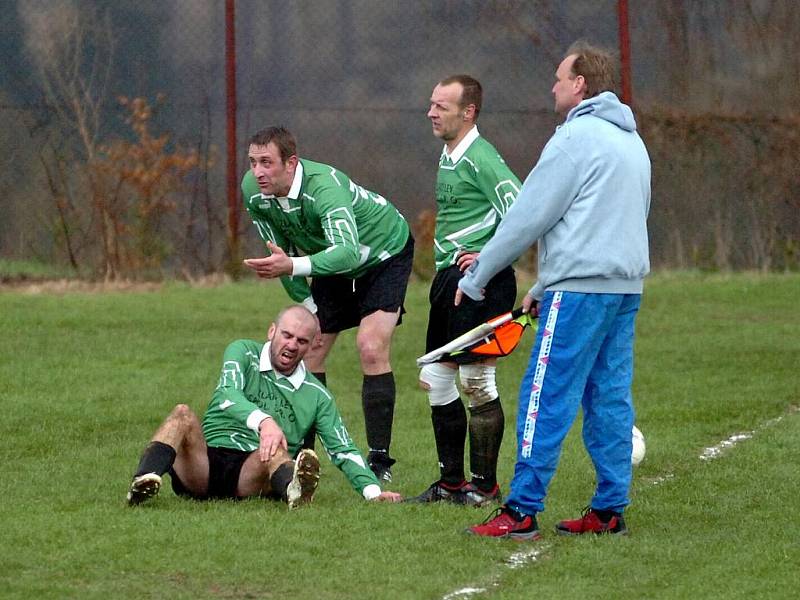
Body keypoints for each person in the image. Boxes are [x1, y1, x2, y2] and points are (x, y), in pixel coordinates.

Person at [457, 42, 651, 539]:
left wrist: (477, 279)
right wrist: (546, 281)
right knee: (609, 399)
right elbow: (602, 223)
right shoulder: (632, 141)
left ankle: (521, 510)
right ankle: (609, 510)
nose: (553, 86)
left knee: (545, 395)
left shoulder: (575, 138)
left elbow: (527, 217)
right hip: (623, 290)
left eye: (560, 78)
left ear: (581, 84)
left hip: (582, 294)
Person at [240, 127, 414, 483]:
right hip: (328, 259)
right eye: (253, 162)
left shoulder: (324, 187)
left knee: (370, 346)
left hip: (382, 252)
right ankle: (304, 459)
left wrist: (293, 265)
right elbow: (281, 257)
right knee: (312, 347)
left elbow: (346, 251)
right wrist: (308, 305)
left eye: (267, 163)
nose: (258, 172)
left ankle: (380, 461)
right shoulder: (254, 193)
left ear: (291, 163)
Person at [126, 305, 402, 507]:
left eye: (301, 341)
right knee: (182, 414)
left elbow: (342, 448)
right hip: (204, 465)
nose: (292, 345)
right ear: (272, 331)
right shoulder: (242, 352)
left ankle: (294, 490)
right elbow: (227, 393)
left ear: (313, 346)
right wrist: (264, 421)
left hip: (252, 472)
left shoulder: (318, 396)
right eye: (287, 335)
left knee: (277, 448)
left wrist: (372, 491)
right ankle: (143, 482)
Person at [409, 75, 521, 507]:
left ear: (468, 112)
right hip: (448, 281)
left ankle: (485, 486)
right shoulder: (450, 152)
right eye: (432, 104)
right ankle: (452, 485)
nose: (432, 112)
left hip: (481, 285)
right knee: (437, 378)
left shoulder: (481, 156)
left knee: (476, 379)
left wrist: (487, 256)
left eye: (442, 106)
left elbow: (522, 208)